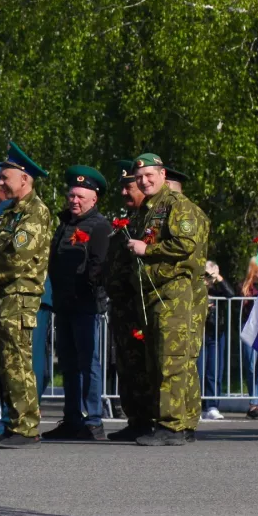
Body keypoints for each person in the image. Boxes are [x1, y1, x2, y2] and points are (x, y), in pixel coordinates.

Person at [126, 153, 210, 446]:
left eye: (149, 175)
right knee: (167, 357)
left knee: (171, 358)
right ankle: (182, 422)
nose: (144, 181)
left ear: (163, 174)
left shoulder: (177, 206)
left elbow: (185, 244)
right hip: (157, 290)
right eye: (139, 177)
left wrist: (146, 250)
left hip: (174, 291)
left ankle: (171, 425)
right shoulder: (150, 208)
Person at [0, 143, 53, 449]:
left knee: (19, 363)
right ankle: (12, 422)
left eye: (6, 177)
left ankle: (26, 427)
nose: (1, 182)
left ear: (24, 178)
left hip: (21, 297)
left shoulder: (35, 212)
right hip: (4, 296)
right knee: (6, 364)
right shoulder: (8, 213)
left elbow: (18, 256)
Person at [43, 166, 111, 440]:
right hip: (64, 304)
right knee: (68, 364)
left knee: (89, 363)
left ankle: (93, 420)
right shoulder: (64, 225)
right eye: (72, 195)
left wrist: (87, 287)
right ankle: (72, 418)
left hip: (86, 305)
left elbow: (99, 266)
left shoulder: (100, 226)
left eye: (80, 196)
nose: (74, 200)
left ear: (94, 198)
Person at [104, 162, 155, 440]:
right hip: (121, 307)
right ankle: (135, 419)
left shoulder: (149, 222)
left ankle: (149, 419)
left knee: (143, 365)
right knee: (125, 365)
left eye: (130, 186)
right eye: (122, 186)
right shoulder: (126, 221)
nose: (125, 191)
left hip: (140, 307)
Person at [199, 260, 236, 420]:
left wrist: (218, 278)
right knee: (198, 371)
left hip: (216, 332)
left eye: (210, 274)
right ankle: (197, 405)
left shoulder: (219, 290)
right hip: (199, 332)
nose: (207, 277)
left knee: (214, 371)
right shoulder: (197, 287)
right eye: (205, 273)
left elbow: (231, 294)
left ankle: (212, 405)